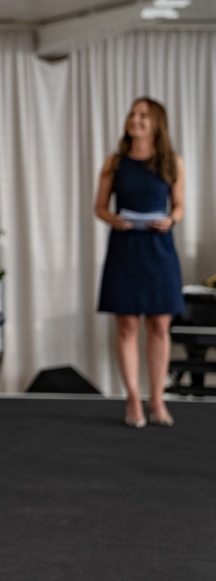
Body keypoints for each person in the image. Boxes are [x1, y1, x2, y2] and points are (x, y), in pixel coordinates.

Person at [94, 97, 186, 429]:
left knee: (160, 326)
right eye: (132, 114)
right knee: (127, 325)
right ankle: (133, 397)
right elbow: (100, 207)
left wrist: (171, 219)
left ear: (157, 123)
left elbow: (179, 206)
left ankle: (157, 399)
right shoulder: (114, 162)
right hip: (125, 246)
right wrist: (113, 219)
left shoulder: (171, 161)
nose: (135, 119)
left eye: (143, 115)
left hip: (160, 248)